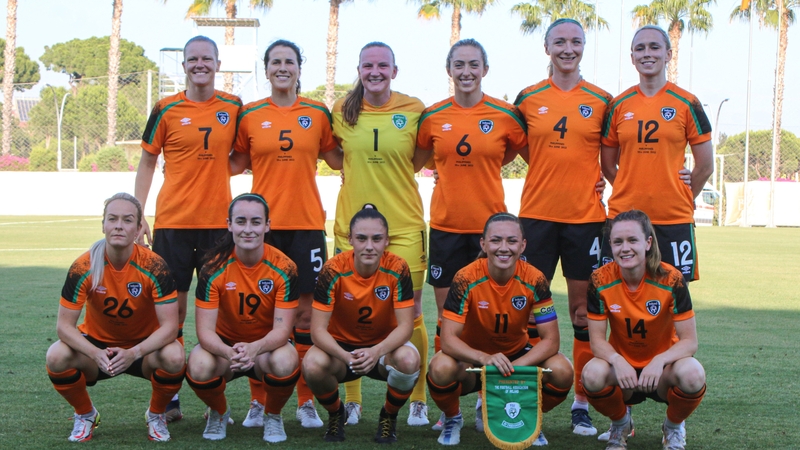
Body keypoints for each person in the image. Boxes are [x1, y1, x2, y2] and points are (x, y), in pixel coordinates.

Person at [416, 38, 527, 431]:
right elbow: (414, 160)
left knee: (490, 321)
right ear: (449, 69)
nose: (466, 71)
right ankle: (452, 412)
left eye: (473, 64)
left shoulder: (505, 114)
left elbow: (520, 154)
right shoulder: (432, 116)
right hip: (446, 229)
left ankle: (486, 401)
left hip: (491, 235)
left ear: (485, 68)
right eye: (459, 64)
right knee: (452, 323)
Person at [231, 39, 342, 429]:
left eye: (289, 62)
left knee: (306, 314)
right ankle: (260, 401)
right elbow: (236, 162)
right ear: (266, 69)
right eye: (276, 62)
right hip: (262, 228)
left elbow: (337, 156)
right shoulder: (250, 115)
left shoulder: (317, 112)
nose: (283, 67)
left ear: (299, 67)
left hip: (307, 225)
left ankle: (306, 401)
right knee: (261, 316)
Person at [512, 18, 613, 437]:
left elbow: (616, 151)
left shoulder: (602, 100)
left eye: (575, 41)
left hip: (586, 220)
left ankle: (582, 404)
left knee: (581, 313)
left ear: (584, 46)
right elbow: (509, 145)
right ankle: (516, 393)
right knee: (527, 313)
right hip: (535, 217)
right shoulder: (528, 97)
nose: (567, 48)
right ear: (546, 47)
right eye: (560, 41)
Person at [134, 35, 242, 422]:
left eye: (206, 58)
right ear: (184, 66)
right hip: (173, 226)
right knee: (172, 313)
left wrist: (211, 166)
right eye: (192, 59)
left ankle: (217, 401)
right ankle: (170, 397)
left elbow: (243, 154)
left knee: (222, 313)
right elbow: (148, 162)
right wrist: (137, 211)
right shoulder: (165, 108)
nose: (200, 64)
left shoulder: (233, 106)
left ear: (217, 63)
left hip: (218, 227)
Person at [331, 41, 430, 426]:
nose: (375, 71)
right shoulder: (341, 110)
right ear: (359, 69)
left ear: (394, 70)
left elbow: (419, 158)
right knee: (347, 313)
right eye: (368, 65)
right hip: (351, 227)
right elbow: (333, 154)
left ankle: (418, 399)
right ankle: (352, 399)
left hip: (403, 226)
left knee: (414, 313)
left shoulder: (414, 108)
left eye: (383, 66)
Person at [45, 193, 184, 442]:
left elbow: (170, 328)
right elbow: (64, 327)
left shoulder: (155, 266)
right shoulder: (83, 267)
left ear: (139, 228)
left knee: (174, 355)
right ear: (103, 225)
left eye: (127, 220)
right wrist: (94, 353)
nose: (119, 225)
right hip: (98, 348)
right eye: (112, 219)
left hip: (143, 349)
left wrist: (134, 352)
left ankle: (156, 415)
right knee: (56, 355)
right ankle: (86, 414)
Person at [427, 213, 574, 446]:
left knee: (562, 370)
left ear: (523, 245)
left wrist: (515, 368)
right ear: (483, 244)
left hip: (515, 356)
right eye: (495, 240)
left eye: (511, 241)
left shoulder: (535, 279)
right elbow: (448, 340)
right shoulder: (465, 277)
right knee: (440, 366)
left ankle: (528, 416)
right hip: (474, 359)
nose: (503, 248)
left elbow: (551, 341)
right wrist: (484, 358)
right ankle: (452, 417)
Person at [582, 210, 706, 450]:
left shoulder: (671, 279)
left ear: (648, 242)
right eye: (618, 242)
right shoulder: (599, 280)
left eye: (632, 240)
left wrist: (660, 361)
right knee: (591, 374)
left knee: (693, 374)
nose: (624, 248)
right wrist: (617, 360)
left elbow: (689, 342)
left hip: (664, 371)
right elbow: (596, 341)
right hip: (623, 372)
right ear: (610, 245)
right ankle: (620, 424)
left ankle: (672, 427)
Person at [600, 24, 713, 284]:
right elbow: (607, 166)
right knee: (618, 293)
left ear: (668, 54)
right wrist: (632, 186)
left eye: (654, 47)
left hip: (673, 217)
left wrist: (683, 194)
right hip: (624, 216)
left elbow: (705, 166)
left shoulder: (687, 103)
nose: (646, 53)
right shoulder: (617, 105)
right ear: (632, 57)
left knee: (674, 299)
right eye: (640, 48)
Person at [185, 193, 300, 442]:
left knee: (286, 360)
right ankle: (219, 412)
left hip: (266, 347)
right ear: (229, 225)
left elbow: (282, 331)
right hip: (225, 348)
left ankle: (273, 415)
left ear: (267, 226)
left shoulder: (286, 267)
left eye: (256, 222)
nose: (248, 229)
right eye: (241, 221)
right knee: (199, 365)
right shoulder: (213, 268)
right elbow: (204, 333)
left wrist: (254, 348)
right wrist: (230, 353)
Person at [303, 208, 421, 444]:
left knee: (409, 360)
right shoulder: (333, 269)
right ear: (350, 240)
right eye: (362, 238)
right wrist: (346, 357)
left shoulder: (398, 268)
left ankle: (388, 415)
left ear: (386, 241)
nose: (369, 246)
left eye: (377, 239)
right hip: (341, 350)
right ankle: (336, 413)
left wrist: (376, 351)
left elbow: (406, 326)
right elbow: (317, 331)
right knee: (312, 364)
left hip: (383, 349)